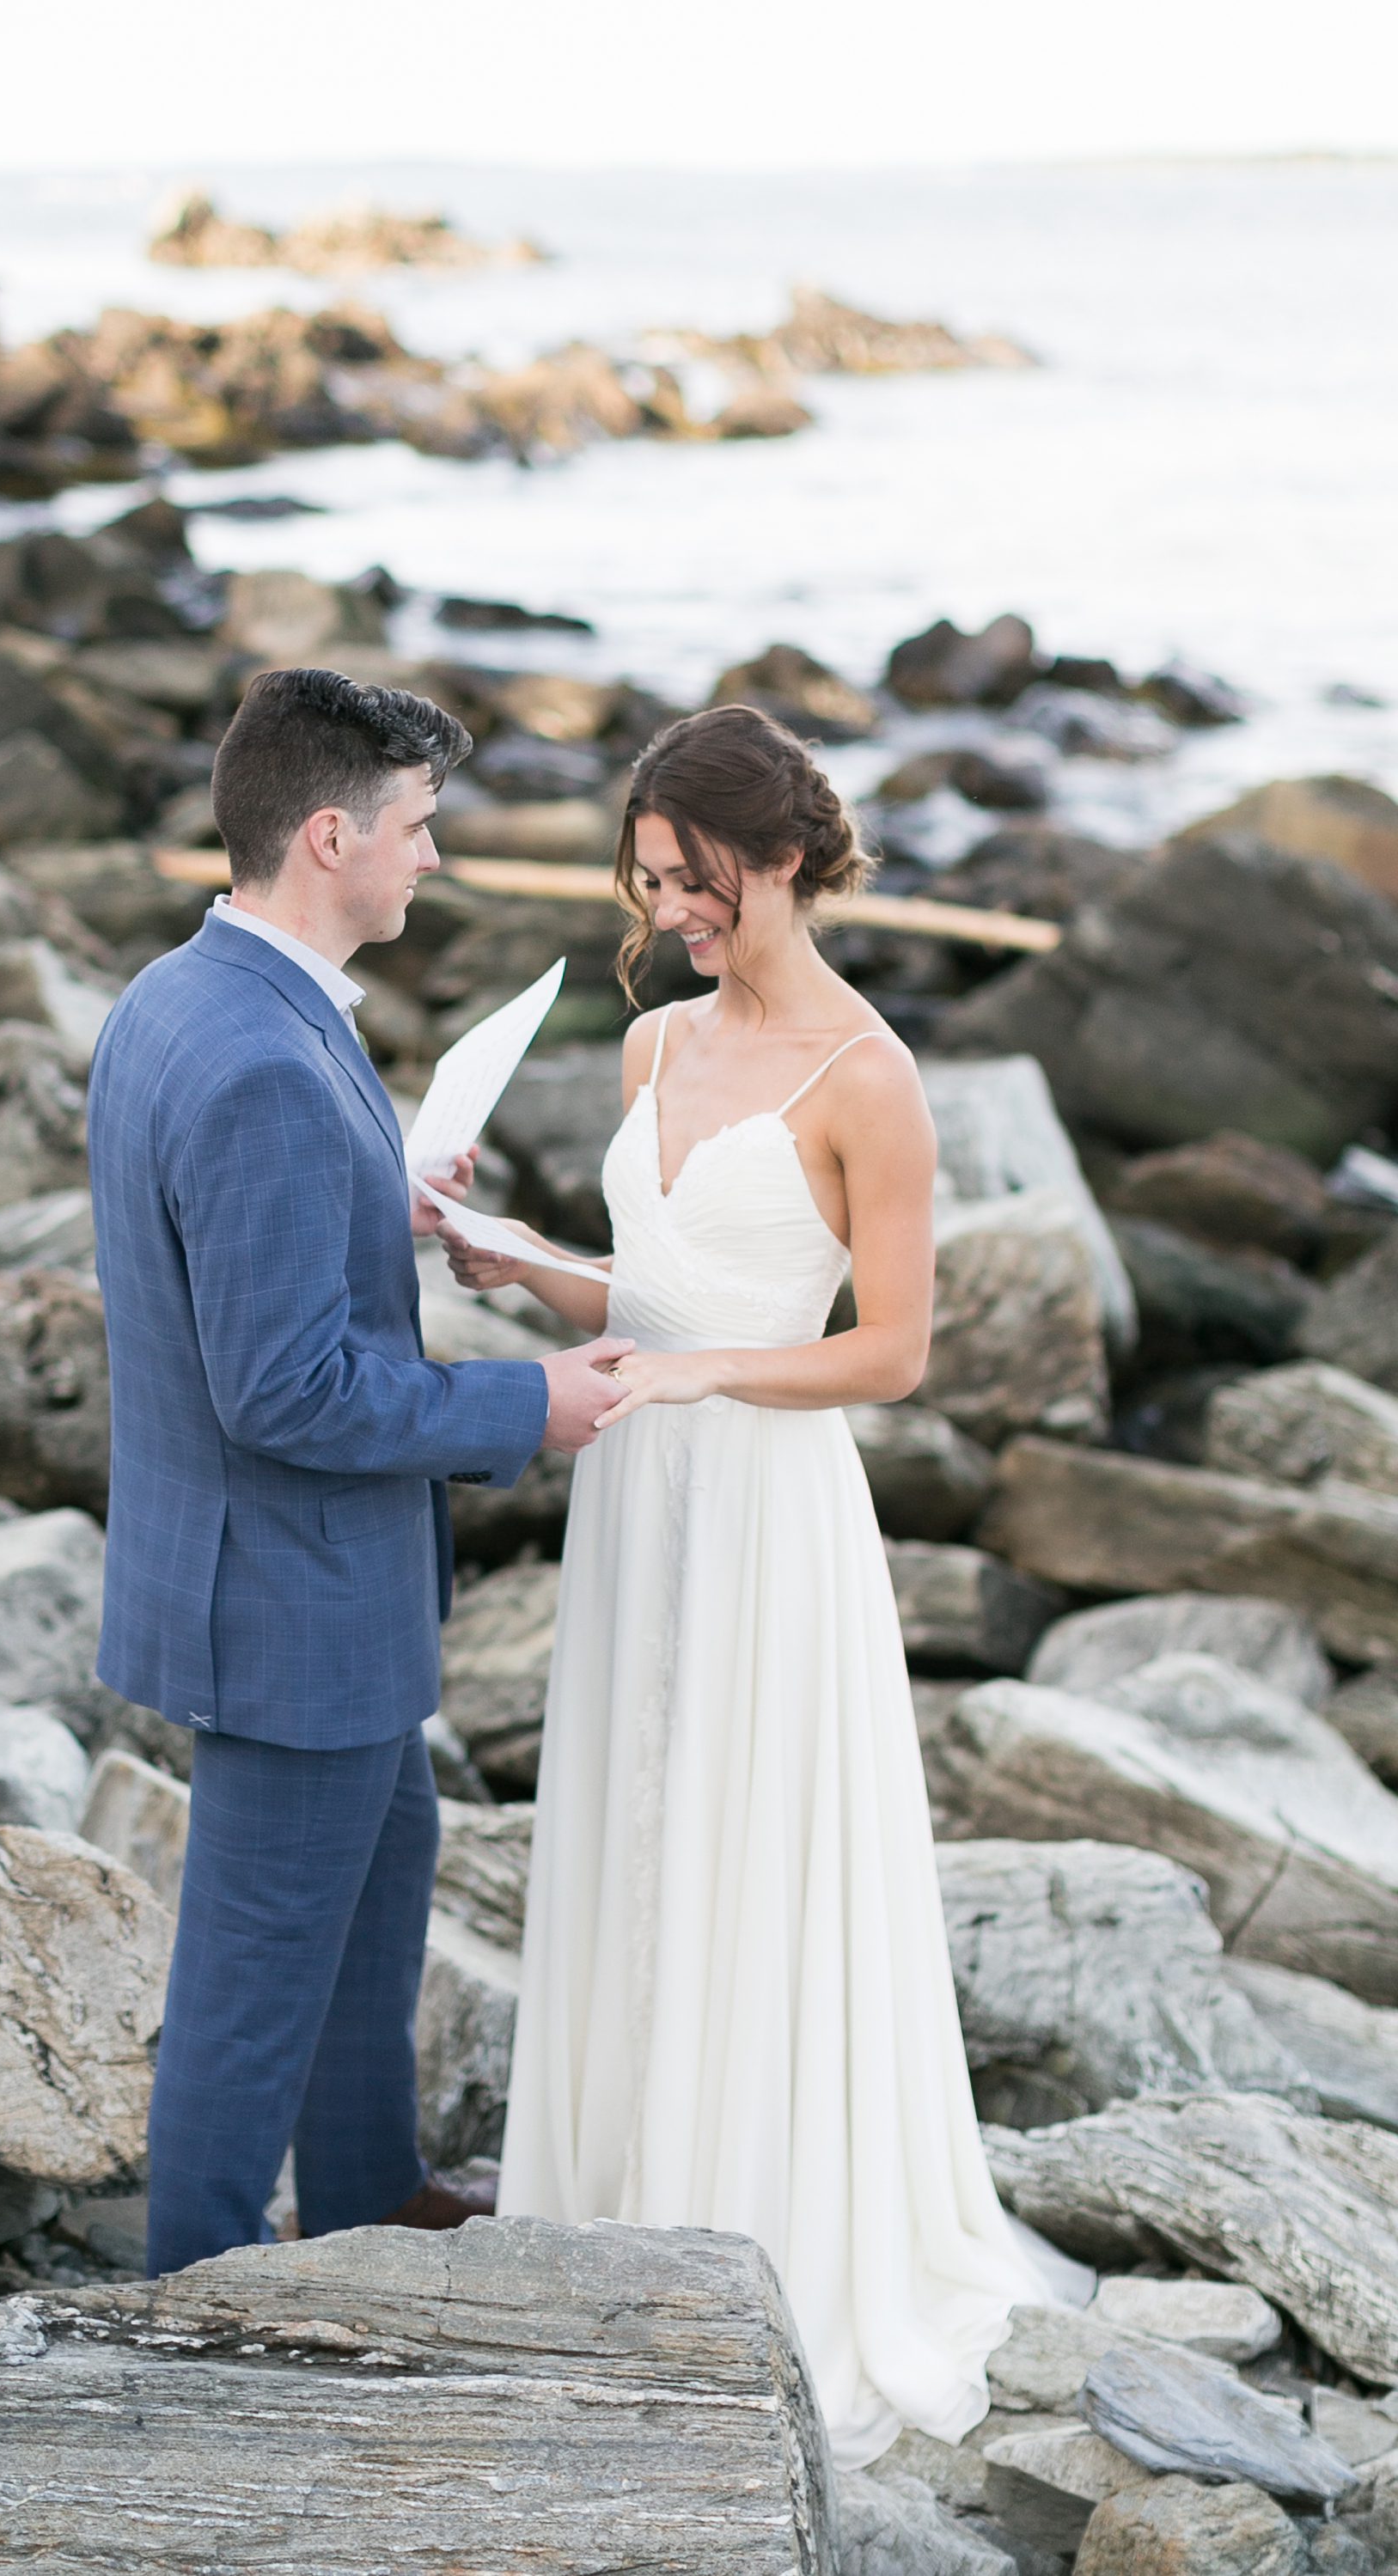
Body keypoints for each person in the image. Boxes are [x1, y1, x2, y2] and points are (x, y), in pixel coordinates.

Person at [442, 701, 1050, 2467]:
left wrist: (711, 1372)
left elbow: (894, 1351)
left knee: (747, 1836)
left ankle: (757, 2232)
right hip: (638, 1495)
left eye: (691, 878)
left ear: (781, 858)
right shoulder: (651, 1042)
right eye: (646, 880)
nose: (669, 910)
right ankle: (620, 2200)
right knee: (638, 1824)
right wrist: (519, 1263)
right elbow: (651, 1295)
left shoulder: (868, 1075)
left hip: (771, 1510)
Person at [88, 665, 631, 2276]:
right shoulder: (261, 1058)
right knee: (254, 1972)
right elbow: (283, 1389)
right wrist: (524, 1404)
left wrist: (376, 1193)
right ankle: (193, 2287)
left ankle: (368, 2191)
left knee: (384, 1880)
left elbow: (209, 1226)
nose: (434, 856)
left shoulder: (186, 993)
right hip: (288, 1598)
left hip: (286, 1582)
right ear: (329, 836)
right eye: (417, 824)